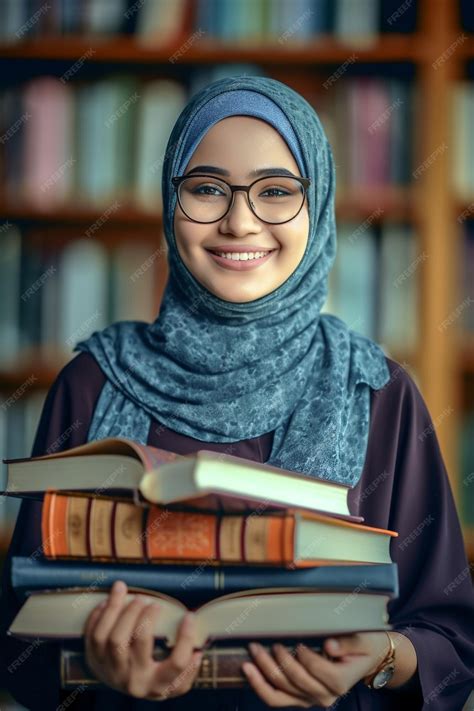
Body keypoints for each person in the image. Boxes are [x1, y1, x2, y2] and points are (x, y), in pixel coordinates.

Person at [1, 75, 473, 711]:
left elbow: (451, 638)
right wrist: (90, 664)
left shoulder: (380, 392)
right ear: (171, 202)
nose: (239, 221)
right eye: (206, 189)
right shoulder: (92, 383)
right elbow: (21, 646)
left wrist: (383, 657)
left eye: (276, 192)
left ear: (319, 205)